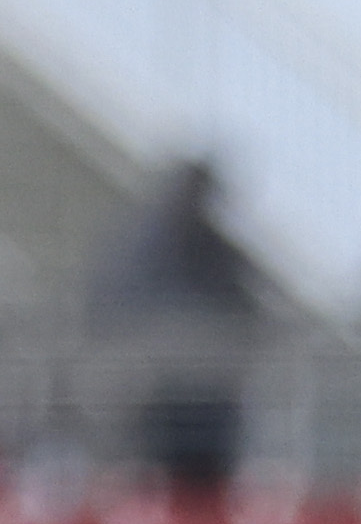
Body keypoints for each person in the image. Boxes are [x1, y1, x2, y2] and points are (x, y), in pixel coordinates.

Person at [93, 157, 268, 500]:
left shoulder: (219, 250)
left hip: (210, 395)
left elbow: (248, 307)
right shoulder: (143, 248)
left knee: (206, 491)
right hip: (164, 392)